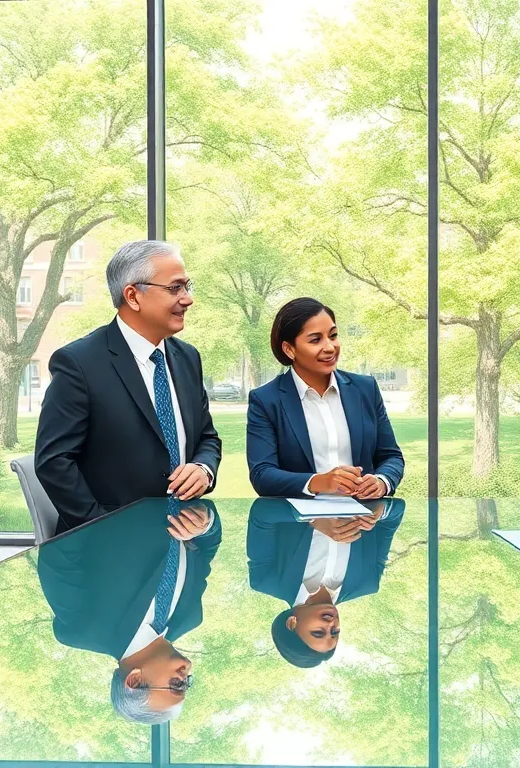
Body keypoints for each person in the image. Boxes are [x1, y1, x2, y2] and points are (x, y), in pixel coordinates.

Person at [35, 240, 222, 534]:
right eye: (175, 288)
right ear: (133, 296)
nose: (187, 299)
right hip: (109, 549)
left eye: (187, 287)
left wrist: (203, 469)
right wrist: (106, 530)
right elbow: (54, 462)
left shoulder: (187, 357)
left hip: (185, 538)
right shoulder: (78, 363)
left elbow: (207, 438)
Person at [36, 498, 221, 724]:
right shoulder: (190, 616)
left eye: (176, 686)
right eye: (186, 684)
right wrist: (205, 523)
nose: (186, 678)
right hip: (184, 485)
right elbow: (205, 551)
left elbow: (58, 555)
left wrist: (117, 505)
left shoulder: (83, 629)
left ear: (134, 680)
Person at [246, 297, 404, 499]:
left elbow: (391, 456)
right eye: (315, 340)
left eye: (333, 335)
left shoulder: (365, 389)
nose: (330, 347)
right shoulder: (266, 400)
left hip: (363, 516)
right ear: (289, 349)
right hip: (299, 518)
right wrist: (319, 482)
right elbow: (262, 474)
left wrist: (382, 481)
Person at [246, 497, 405, 668]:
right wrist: (379, 511)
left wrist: (314, 518)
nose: (331, 624)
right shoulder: (366, 582)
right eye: (335, 632)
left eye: (318, 632)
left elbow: (262, 512)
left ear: (292, 623)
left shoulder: (266, 579)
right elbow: (395, 513)